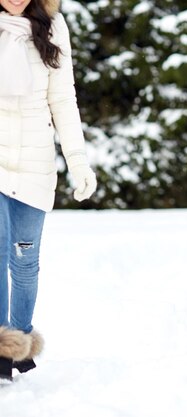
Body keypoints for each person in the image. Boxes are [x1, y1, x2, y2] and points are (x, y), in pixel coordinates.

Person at [0, 0, 97, 382]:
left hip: (36, 162)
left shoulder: (53, 28)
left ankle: (19, 340)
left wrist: (78, 160)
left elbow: (63, 99)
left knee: (25, 260)